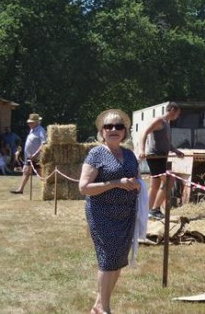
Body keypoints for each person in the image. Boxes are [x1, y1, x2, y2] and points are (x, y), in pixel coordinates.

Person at [78, 109, 141, 314]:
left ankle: (98, 304)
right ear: (101, 131)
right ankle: (104, 308)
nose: (114, 130)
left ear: (125, 131)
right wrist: (116, 183)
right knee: (107, 260)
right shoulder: (96, 154)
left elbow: (137, 178)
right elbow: (84, 188)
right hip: (102, 214)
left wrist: (138, 185)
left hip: (126, 214)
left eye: (119, 126)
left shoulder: (130, 154)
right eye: (109, 126)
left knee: (118, 260)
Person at [137, 102, 184, 220]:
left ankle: (146, 211)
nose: (178, 116)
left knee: (155, 185)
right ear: (172, 109)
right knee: (169, 180)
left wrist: (176, 150)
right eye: (178, 113)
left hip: (162, 157)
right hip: (155, 157)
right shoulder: (159, 121)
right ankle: (155, 209)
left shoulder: (167, 123)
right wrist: (142, 150)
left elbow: (167, 142)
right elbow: (144, 133)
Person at [10, 113, 47, 194]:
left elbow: (43, 144)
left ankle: (47, 190)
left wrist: (35, 155)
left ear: (37, 122)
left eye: (31, 122)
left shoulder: (41, 130)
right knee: (26, 171)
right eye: (29, 122)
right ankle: (20, 189)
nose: (29, 124)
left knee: (40, 174)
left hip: (36, 157)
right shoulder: (32, 130)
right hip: (29, 156)